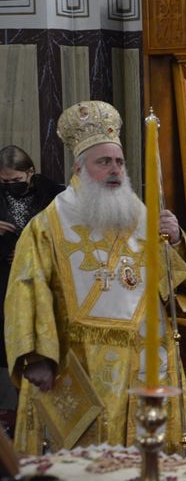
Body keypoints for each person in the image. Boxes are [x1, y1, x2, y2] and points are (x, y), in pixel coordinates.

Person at [4, 101, 186, 454]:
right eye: (104, 162)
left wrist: (174, 240)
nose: (115, 170)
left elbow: (169, 282)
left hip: (145, 356)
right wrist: (36, 357)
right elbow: (26, 291)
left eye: (119, 162)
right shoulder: (47, 226)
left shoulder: (138, 214)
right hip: (79, 360)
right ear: (79, 168)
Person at [0, 145, 64, 412]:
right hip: (4, 280)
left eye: (15, 180)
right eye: (4, 182)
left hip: (42, 279)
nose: (9, 186)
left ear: (30, 172)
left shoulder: (55, 195)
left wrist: (31, 250)